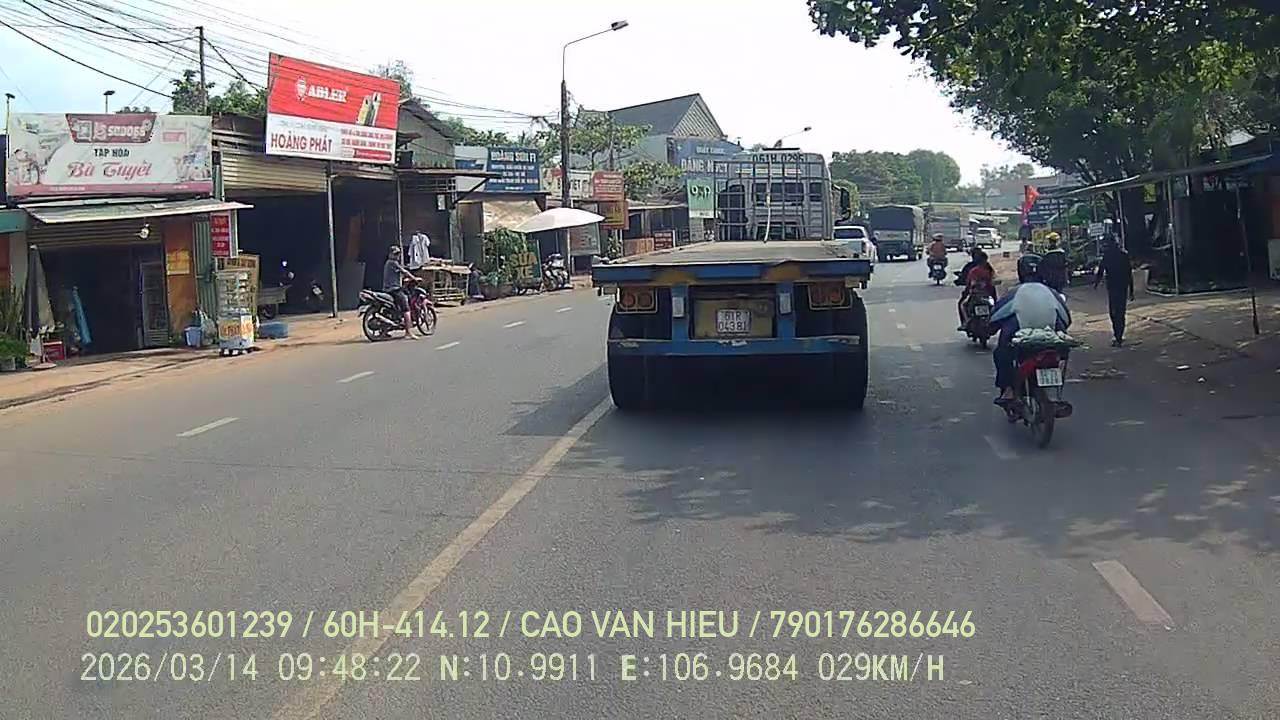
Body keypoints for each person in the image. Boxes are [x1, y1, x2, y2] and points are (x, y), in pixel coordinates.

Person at [990, 255, 1071, 403]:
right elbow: (1066, 319)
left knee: (1001, 352)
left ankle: (1008, 390)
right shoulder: (1052, 292)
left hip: (1022, 340)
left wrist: (992, 328)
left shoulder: (1014, 292)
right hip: (1051, 339)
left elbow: (995, 317)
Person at [1094, 237, 1134, 346]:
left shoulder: (1107, 255)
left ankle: (1117, 335)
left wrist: (1096, 283)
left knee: (1114, 312)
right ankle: (1119, 335)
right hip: (1122, 286)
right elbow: (1129, 273)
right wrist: (1131, 290)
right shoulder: (1123, 255)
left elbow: (1101, 270)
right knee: (1121, 312)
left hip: (1113, 287)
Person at [382, 245, 419, 339]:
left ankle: (385, 330)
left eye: (398, 254)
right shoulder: (392, 263)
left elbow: (400, 272)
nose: (397, 256)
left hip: (388, 289)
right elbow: (404, 271)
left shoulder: (389, 263)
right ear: (390, 254)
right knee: (406, 309)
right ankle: (408, 332)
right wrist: (414, 278)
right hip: (394, 289)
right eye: (395, 254)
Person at [955, 247, 996, 329]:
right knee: (996, 304)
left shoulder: (972, 269)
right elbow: (993, 280)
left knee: (962, 304)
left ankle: (965, 322)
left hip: (976, 294)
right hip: (988, 293)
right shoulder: (989, 268)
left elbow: (969, 283)